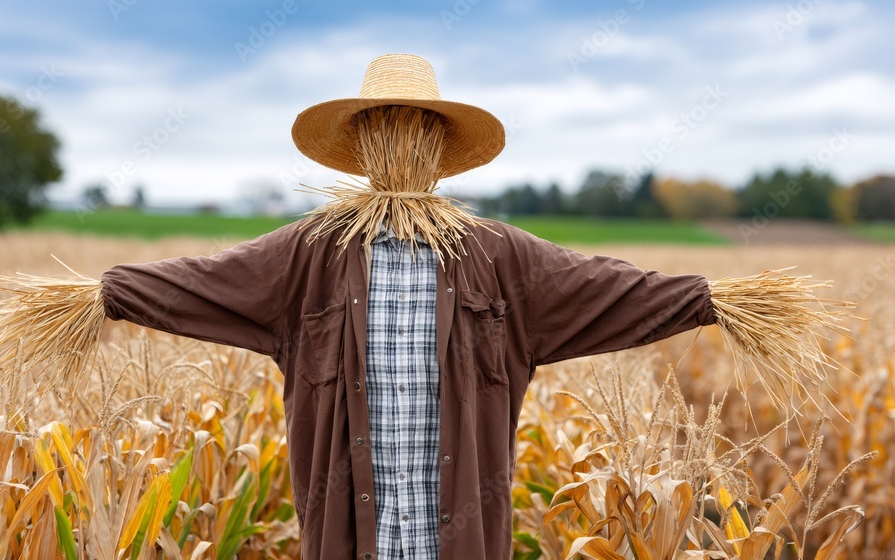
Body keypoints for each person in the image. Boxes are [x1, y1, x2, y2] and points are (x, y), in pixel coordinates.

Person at [100, 54, 715, 560]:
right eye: (384, 126)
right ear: (363, 143)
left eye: (415, 125)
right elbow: (202, 282)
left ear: (438, 143)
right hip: (347, 544)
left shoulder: (497, 254)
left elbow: (615, 289)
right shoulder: (311, 252)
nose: (399, 137)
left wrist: (712, 301)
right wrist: (108, 293)